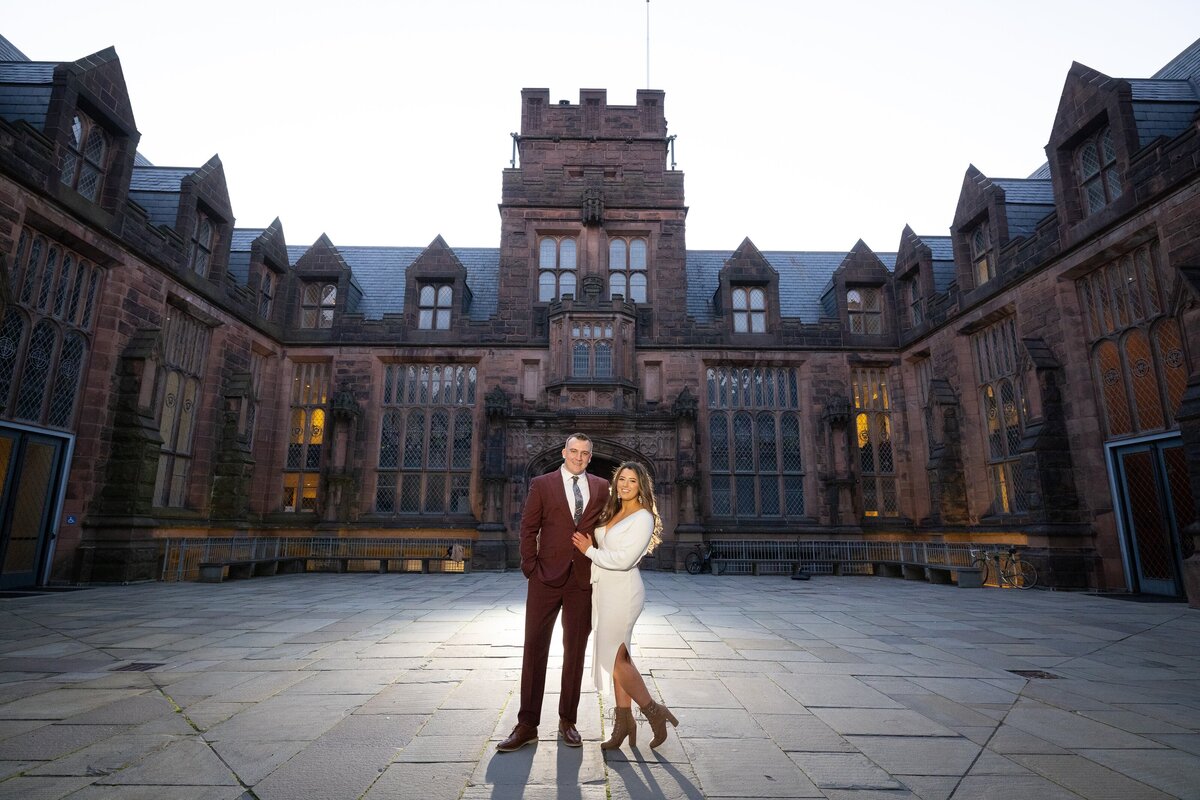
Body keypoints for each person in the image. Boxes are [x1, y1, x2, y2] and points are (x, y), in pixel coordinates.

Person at [497, 433, 610, 752]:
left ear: (590, 456)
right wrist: (530, 567)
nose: (578, 457)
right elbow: (528, 527)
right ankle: (527, 724)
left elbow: (606, 530)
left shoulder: (601, 487)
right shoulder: (542, 484)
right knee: (534, 648)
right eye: (573, 451)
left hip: (582, 580)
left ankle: (568, 720)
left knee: (575, 651)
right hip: (544, 578)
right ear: (564, 453)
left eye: (584, 453)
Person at [571, 461, 679, 750]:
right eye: (622, 479)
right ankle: (623, 723)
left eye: (632, 480)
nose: (625, 485)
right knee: (619, 657)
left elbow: (625, 560)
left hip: (624, 591)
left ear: (641, 485)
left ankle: (654, 712)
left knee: (614, 659)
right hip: (605, 590)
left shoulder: (643, 517)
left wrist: (588, 550)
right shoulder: (615, 510)